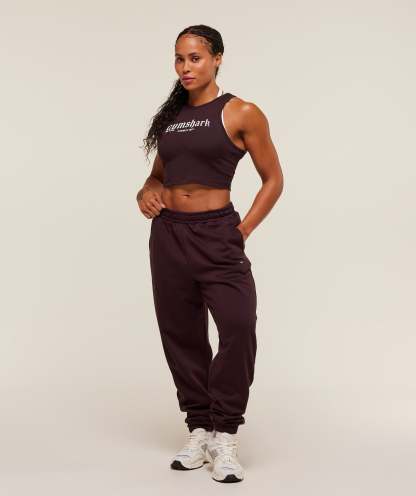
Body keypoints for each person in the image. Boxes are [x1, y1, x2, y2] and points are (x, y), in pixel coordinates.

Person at [137, 24, 283, 483]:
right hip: (169, 235)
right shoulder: (172, 116)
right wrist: (146, 190)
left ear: (218, 58)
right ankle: (199, 427)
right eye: (179, 58)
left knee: (238, 327)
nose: (185, 67)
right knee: (180, 334)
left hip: (218, 234)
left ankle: (226, 435)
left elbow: (273, 178)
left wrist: (242, 230)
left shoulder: (241, 112)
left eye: (195, 57)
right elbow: (159, 175)